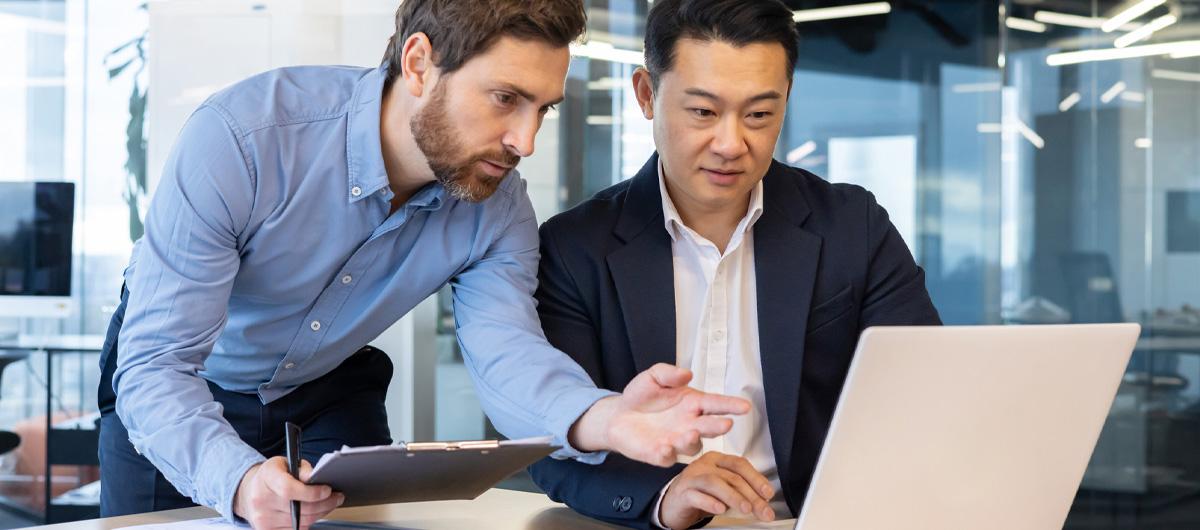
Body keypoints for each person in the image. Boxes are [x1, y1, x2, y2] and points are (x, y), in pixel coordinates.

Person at [97, 1, 751, 528]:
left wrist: (607, 418)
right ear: (419, 64)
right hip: (180, 384)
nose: (525, 141)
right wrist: (237, 482)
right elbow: (156, 363)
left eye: (542, 109)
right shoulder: (245, 140)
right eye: (505, 99)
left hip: (325, 392)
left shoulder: (497, 206)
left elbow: (509, 355)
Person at [526, 1, 942, 528]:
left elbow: (923, 393)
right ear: (647, 95)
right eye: (703, 112)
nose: (731, 144)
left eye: (759, 115)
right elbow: (548, 444)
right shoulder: (573, 248)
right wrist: (665, 495)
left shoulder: (851, 227)